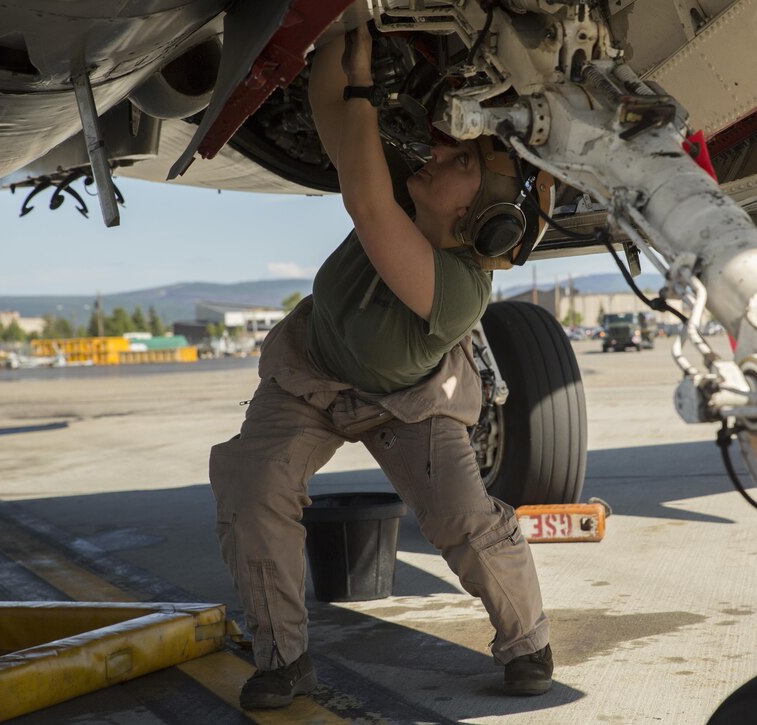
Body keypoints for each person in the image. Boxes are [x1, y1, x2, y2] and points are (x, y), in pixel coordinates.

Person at [209, 24, 554, 710]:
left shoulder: (460, 286)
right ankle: (285, 659)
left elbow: (366, 206)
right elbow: (337, 125)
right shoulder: (408, 186)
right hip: (313, 373)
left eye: (461, 161)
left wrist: (366, 85)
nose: (441, 152)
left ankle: (528, 642)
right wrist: (341, 38)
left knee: (463, 519)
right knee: (253, 482)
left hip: (411, 402)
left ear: (472, 215)